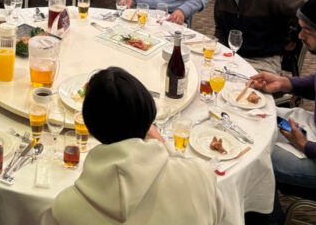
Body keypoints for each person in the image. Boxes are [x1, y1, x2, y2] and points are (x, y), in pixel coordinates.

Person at [47, 67, 226, 224]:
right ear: (149, 116)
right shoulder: (200, 176)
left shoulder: (65, 208)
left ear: (91, 126)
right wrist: (164, 145)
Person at [251, 0, 316, 196]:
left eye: (308, 32)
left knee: (252, 155)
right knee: (248, 118)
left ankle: (267, 212)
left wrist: (306, 146)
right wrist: (286, 84)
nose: (301, 36)